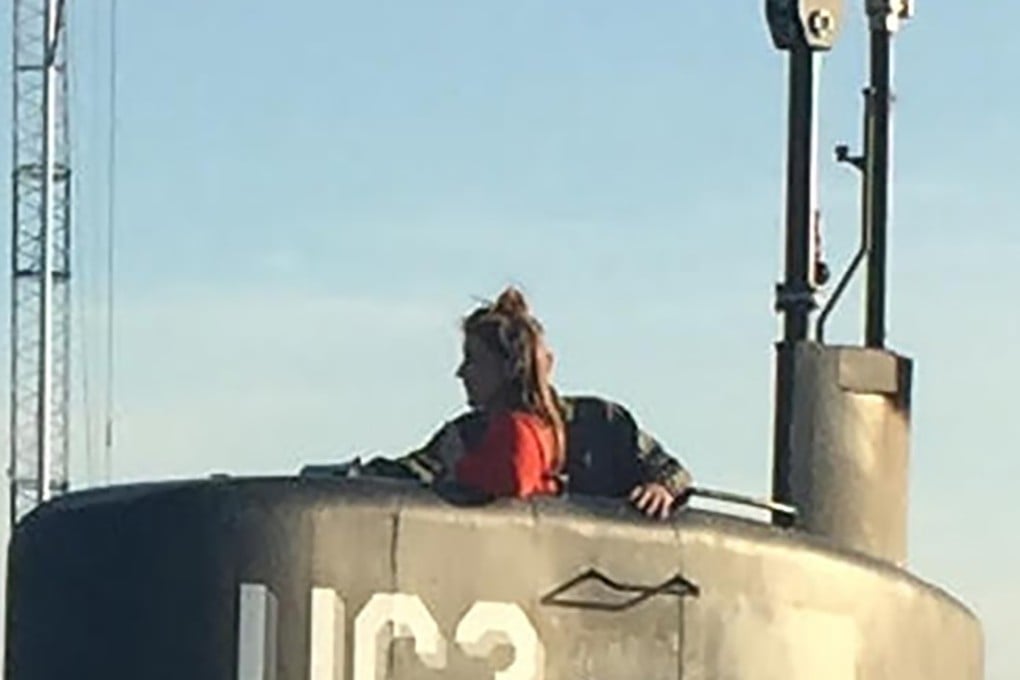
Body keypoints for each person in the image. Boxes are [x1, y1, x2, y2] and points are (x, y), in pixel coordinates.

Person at [361, 287, 693, 518]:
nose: (461, 373)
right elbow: (410, 473)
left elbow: (672, 471)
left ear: (507, 367)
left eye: (473, 360)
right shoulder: (467, 434)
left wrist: (661, 488)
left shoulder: (603, 424)